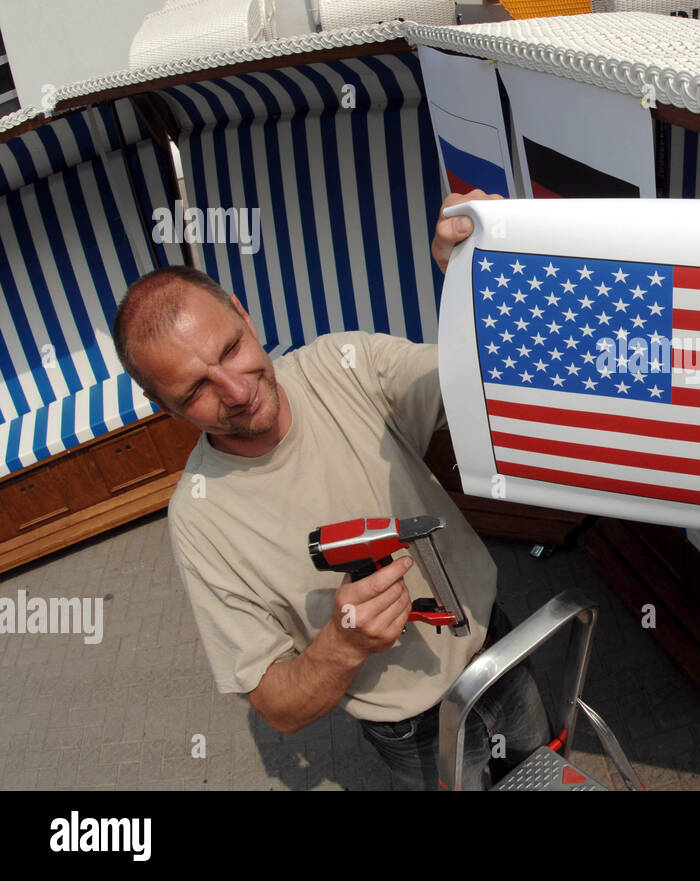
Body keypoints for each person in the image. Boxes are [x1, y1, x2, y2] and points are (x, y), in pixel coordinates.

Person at [111, 189, 548, 790]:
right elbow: (278, 708)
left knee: (544, 767)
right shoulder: (199, 522)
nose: (237, 391)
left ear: (244, 312)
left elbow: (485, 388)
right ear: (165, 408)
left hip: (499, 646)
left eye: (232, 349)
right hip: (410, 725)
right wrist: (342, 645)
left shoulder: (344, 364)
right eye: (195, 392)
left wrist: (472, 279)